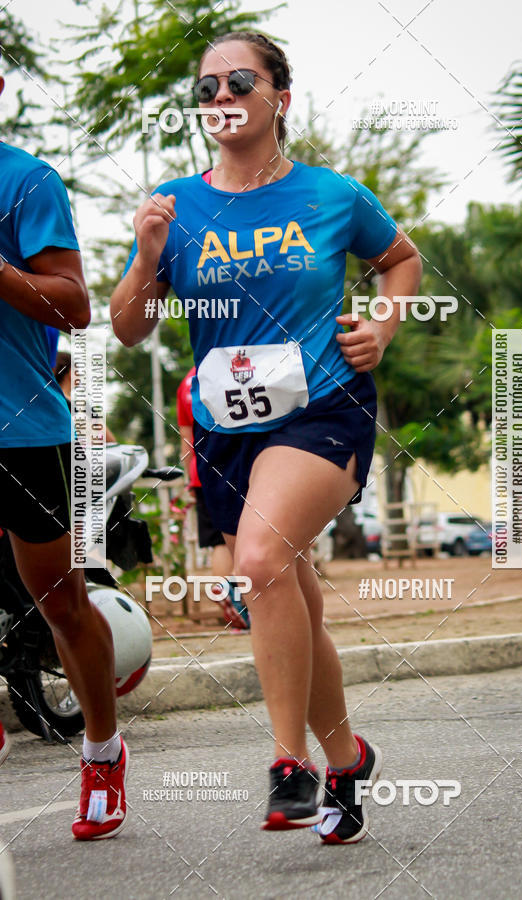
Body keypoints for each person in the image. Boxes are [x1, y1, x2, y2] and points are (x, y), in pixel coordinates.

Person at [110, 30, 421, 843]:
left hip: (322, 409)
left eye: (237, 82)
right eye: (206, 88)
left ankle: (291, 767)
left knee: (255, 564)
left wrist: (381, 328)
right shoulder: (176, 207)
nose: (220, 98)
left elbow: (402, 260)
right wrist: (146, 260)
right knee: (286, 590)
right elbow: (128, 330)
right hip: (226, 430)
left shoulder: (331, 195)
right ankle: (348, 760)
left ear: (280, 96)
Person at [0, 72, 127, 840]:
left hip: (21, 430)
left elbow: (74, 304)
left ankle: (103, 749)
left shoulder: (27, 181)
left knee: (60, 603)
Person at [176, 366, 244, 627]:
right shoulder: (225, 366)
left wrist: (188, 478)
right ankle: (247, 606)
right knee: (244, 536)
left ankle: (231, 609)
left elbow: (185, 434)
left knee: (219, 542)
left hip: (200, 472)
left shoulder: (185, 382)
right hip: (234, 464)